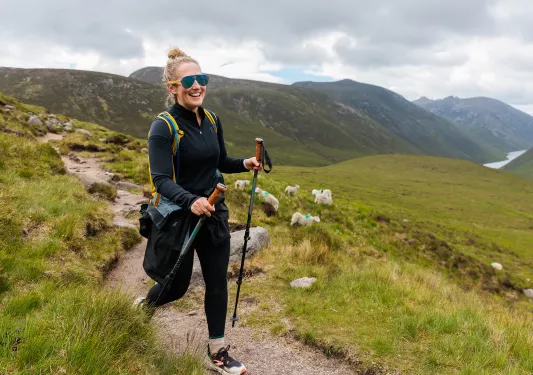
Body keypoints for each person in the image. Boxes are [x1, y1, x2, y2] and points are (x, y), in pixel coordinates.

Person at [136, 47, 260, 375]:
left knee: (217, 281)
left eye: (202, 79)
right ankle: (145, 306)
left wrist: (244, 163)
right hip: (180, 217)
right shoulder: (163, 127)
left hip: (213, 214)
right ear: (172, 87)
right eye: (189, 80)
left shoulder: (212, 119)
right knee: (175, 286)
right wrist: (191, 199)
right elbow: (161, 179)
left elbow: (220, 161)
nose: (197, 86)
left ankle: (217, 351)